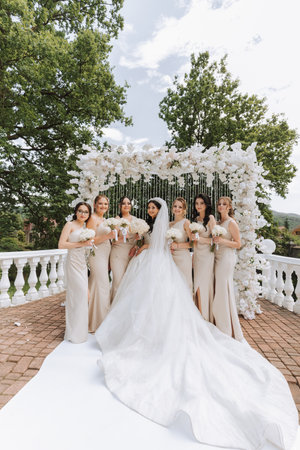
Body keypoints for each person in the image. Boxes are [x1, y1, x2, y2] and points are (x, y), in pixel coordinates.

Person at [95, 197, 298, 450]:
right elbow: (157, 242)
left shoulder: (186, 224)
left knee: (170, 302)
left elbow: (181, 243)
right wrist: (146, 246)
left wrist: (160, 247)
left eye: (178, 207)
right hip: (156, 262)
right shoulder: (160, 224)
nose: (173, 211)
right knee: (148, 301)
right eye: (173, 208)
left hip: (166, 263)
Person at [58, 202, 93, 344]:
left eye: (86, 212)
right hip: (72, 263)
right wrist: (82, 244)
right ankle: (74, 333)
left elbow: (85, 248)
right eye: (80, 211)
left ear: (89, 214)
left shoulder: (85, 228)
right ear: (76, 212)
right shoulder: (70, 225)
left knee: (82, 297)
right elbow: (61, 245)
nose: (83, 214)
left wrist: (88, 246)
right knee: (77, 295)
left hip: (82, 264)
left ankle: (80, 332)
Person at [212, 196, 243, 341]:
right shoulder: (219, 223)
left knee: (223, 289)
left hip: (226, 258)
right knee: (219, 289)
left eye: (224, 204)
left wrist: (223, 240)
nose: (221, 206)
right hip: (217, 257)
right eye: (219, 204)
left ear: (229, 207)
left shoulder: (231, 223)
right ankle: (219, 321)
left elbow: (238, 244)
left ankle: (226, 327)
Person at [86, 195, 115, 333]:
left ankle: (100, 320)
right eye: (100, 204)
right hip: (96, 255)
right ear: (95, 204)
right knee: (100, 285)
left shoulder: (104, 220)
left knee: (101, 286)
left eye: (105, 204)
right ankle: (95, 322)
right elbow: (90, 240)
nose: (103, 206)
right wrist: (108, 237)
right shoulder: (92, 218)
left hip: (105, 255)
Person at [192, 194, 216, 321]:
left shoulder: (211, 218)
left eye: (201, 203)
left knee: (202, 285)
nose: (199, 206)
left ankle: (204, 318)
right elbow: (193, 242)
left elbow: (215, 240)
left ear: (206, 205)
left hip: (207, 256)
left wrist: (200, 239)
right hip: (197, 255)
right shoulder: (195, 219)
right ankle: (198, 315)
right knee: (196, 285)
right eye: (197, 203)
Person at [110, 196, 137, 302]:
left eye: (129, 203)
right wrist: (122, 238)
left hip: (131, 254)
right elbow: (112, 240)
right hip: (118, 253)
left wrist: (137, 243)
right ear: (120, 206)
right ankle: (114, 309)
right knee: (118, 282)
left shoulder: (136, 220)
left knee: (129, 282)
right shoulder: (116, 220)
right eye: (124, 203)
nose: (127, 205)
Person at [169, 197, 193, 293]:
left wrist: (178, 246)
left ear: (184, 210)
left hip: (183, 258)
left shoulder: (186, 223)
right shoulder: (169, 224)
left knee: (184, 284)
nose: (177, 209)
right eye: (175, 206)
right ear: (172, 208)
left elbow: (192, 243)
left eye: (180, 207)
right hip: (171, 257)